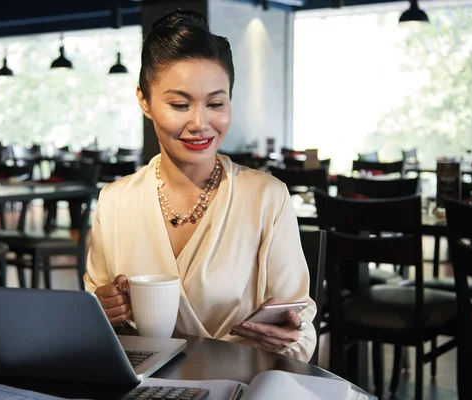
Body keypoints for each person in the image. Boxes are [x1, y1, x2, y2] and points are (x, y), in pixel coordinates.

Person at [84, 9, 317, 362]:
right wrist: (102, 310)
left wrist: (288, 335)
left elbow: (300, 327)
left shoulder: (267, 197)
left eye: (215, 104)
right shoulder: (114, 201)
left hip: (242, 384)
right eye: (180, 104)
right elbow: (94, 315)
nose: (200, 123)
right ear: (144, 101)